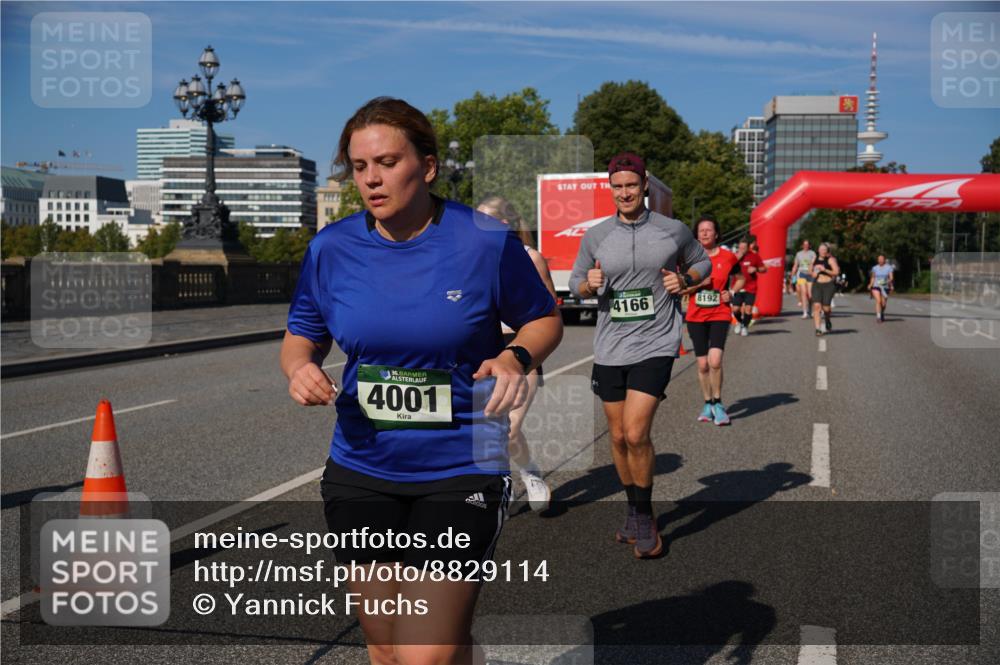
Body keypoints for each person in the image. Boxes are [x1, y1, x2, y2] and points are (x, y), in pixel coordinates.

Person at [281, 97, 562, 665]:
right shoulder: (331, 249)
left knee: (422, 653)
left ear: (428, 166)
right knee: (385, 647)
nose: (371, 179)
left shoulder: (483, 240)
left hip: (461, 464)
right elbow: (301, 335)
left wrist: (513, 358)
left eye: (386, 162)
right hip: (362, 467)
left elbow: (545, 318)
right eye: (359, 167)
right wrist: (300, 368)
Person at [569, 152, 710, 559]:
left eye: (632, 185)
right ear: (610, 189)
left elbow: (704, 264)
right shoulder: (596, 235)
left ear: (645, 185)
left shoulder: (673, 230)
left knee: (635, 432)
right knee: (615, 436)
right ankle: (632, 511)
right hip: (611, 345)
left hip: (656, 342)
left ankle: (646, 515)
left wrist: (685, 280)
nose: (625, 192)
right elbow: (578, 279)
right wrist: (587, 286)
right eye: (618, 186)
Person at [476, 195, 555, 512]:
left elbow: (547, 315)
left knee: (509, 429)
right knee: (486, 430)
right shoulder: (471, 259)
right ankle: (499, 487)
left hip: (519, 353)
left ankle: (529, 474)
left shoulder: (530, 258)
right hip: (483, 354)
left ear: (503, 224)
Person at [681, 217, 745, 426]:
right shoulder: (689, 259)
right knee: (702, 364)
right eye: (701, 231)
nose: (705, 233)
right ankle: (707, 403)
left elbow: (741, 279)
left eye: (709, 230)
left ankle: (718, 403)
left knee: (714, 360)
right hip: (695, 316)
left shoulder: (728, 257)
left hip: (719, 313)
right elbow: (682, 289)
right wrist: (699, 284)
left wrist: (731, 293)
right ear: (697, 234)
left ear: (717, 234)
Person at [732, 236, 766, 336]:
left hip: (750, 287)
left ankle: (745, 326)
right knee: (736, 309)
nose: (741, 250)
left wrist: (756, 269)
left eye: (744, 248)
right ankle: (739, 321)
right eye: (740, 248)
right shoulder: (734, 257)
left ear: (748, 248)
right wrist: (735, 260)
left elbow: (764, 269)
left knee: (748, 309)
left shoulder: (754, 256)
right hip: (737, 287)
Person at [809, 243, 841, 336]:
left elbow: (836, 272)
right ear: (818, 250)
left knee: (826, 308)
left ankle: (827, 319)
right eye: (821, 249)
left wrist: (824, 270)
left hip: (828, 285)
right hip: (817, 285)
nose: (823, 251)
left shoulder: (830, 260)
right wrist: (813, 273)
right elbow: (810, 270)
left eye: (824, 249)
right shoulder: (814, 259)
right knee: (817, 306)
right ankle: (818, 329)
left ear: (827, 251)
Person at [792, 240, 816, 319]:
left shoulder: (812, 253)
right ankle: (805, 312)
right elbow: (796, 264)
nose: (806, 246)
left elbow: (813, 262)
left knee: (810, 294)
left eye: (807, 244)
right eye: (804, 244)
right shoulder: (798, 254)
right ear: (802, 245)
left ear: (809, 245)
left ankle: (811, 310)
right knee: (803, 292)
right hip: (801, 274)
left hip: (810, 274)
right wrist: (793, 273)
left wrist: (811, 267)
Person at [868, 254, 894, 323]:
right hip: (876, 286)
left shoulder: (889, 268)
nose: (880, 260)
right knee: (878, 301)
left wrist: (888, 282)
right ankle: (878, 316)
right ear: (877, 260)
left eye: (882, 259)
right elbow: (873, 277)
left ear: (884, 260)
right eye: (879, 259)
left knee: (883, 304)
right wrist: (870, 284)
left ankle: (882, 313)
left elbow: (891, 277)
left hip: (885, 286)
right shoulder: (875, 268)